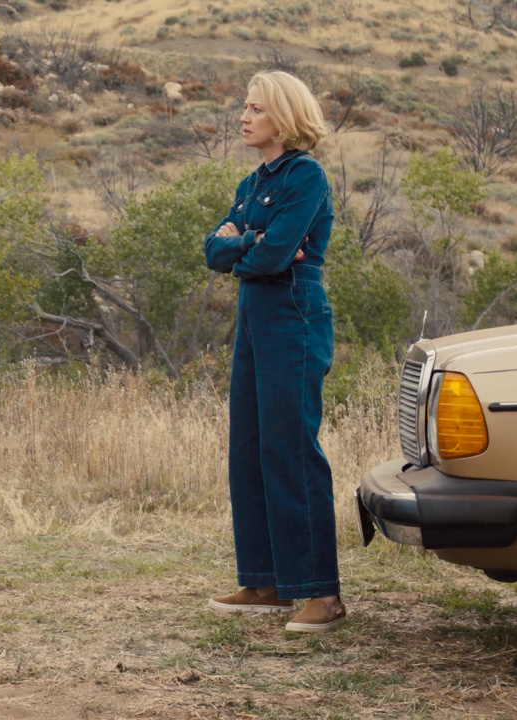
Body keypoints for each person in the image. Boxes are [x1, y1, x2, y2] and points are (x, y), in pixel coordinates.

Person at [201, 71, 344, 633]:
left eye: (255, 108)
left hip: (293, 315)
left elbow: (272, 257)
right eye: (244, 106)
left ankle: (320, 594)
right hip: (255, 318)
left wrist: (247, 244)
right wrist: (245, 244)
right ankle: (264, 580)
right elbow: (214, 249)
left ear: (282, 117)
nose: (243, 116)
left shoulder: (304, 177)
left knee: (290, 447)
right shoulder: (251, 181)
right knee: (250, 447)